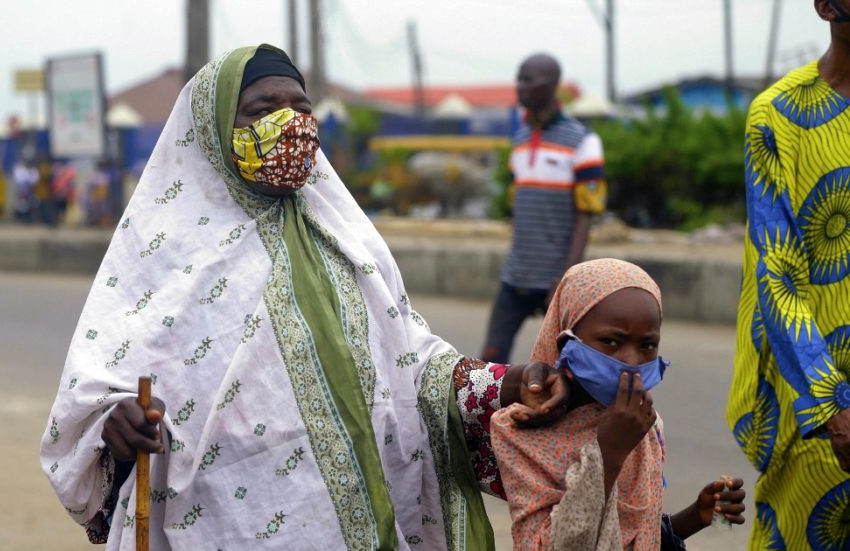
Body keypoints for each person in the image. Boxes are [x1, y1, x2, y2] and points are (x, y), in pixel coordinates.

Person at [41, 45, 570, 550]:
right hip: (227, 523)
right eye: (262, 109)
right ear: (214, 127)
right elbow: (94, 394)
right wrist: (115, 423)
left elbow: (412, 363)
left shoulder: (349, 238)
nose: (290, 121)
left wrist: (505, 384)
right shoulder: (162, 253)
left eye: (301, 106)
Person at [492, 259, 747, 550]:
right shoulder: (518, 430)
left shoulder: (643, 424)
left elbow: (631, 536)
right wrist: (607, 454)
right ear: (567, 343)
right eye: (611, 341)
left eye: (647, 345)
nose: (632, 361)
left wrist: (695, 517)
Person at [726, 1, 850, 548]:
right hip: (821, 403)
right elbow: (776, 271)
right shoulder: (779, 113)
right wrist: (830, 405)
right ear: (826, 6)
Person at [481, 53, 607, 365]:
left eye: (528, 79)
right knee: (490, 362)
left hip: (555, 279)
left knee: (561, 369)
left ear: (551, 85)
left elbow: (585, 215)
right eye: (518, 79)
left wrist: (564, 278)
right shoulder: (520, 139)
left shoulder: (583, 141)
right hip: (516, 274)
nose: (519, 86)